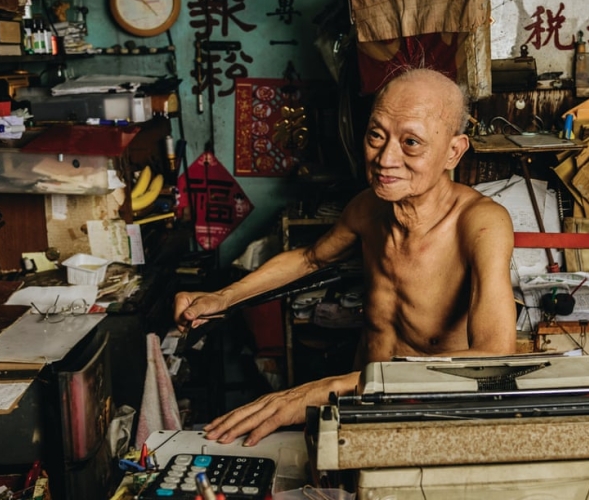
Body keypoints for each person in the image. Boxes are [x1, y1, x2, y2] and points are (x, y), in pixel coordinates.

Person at [174, 67, 518, 446]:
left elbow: (494, 360)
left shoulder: (480, 223)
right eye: (376, 135)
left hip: (431, 413)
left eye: (411, 143)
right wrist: (223, 297)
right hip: (361, 406)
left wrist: (318, 390)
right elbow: (309, 259)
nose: (385, 159)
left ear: (453, 151)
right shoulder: (367, 208)